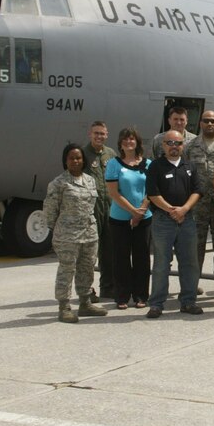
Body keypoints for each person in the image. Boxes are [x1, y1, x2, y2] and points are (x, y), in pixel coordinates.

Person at [44, 143, 109, 323]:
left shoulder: (90, 180)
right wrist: (59, 229)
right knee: (67, 270)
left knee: (87, 268)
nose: (75, 161)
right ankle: (64, 306)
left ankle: (85, 303)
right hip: (67, 235)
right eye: (71, 158)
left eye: (78, 158)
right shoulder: (58, 183)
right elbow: (50, 212)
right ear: (65, 161)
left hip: (89, 233)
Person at [145, 130, 204, 318]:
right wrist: (172, 210)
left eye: (178, 143)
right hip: (163, 221)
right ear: (163, 145)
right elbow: (153, 194)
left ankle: (188, 301)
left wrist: (184, 210)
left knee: (190, 263)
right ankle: (156, 304)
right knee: (162, 263)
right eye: (170, 143)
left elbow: (197, 190)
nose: (174, 146)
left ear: (183, 145)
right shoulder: (155, 166)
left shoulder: (190, 166)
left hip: (186, 220)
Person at [105, 128, 152, 309]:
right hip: (119, 219)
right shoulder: (113, 164)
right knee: (121, 258)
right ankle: (122, 296)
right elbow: (113, 193)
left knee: (142, 257)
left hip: (144, 217)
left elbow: (151, 190)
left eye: (132, 139)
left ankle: (141, 295)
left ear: (137, 142)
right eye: (125, 139)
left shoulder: (148, 164)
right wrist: (134, 212)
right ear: (120, 143)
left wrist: (141, 211)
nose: (128, 142)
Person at [186, 110, 214, 298]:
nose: (209, 124)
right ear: (200, 123)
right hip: (198, 205)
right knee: (196, 245)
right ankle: (192, 283)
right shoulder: (190, 147)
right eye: (206, 121)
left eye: (213, 121)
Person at [83, 121, 117, 301]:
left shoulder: (111, 154)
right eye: (96, 133)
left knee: (109, 251)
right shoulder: (82, 155)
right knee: (89, 252)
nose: (99, 137)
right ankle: (87, 290)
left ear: (107, 135)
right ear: (90, 134)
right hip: (91, 208)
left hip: (110, 207)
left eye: (102, 134)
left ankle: (108, 287)